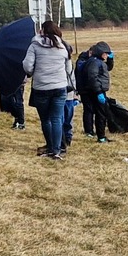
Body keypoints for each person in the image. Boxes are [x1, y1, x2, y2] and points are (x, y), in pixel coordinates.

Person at [26, 20, 74, 159]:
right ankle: (57, 150)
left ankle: (50, 145)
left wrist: (36, 71)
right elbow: (69, 69)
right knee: (57, 119)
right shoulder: (63, 46)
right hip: (60, 87)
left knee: (45, 119)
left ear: (42, 31)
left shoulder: (34, 45)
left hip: (41, 87)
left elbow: (28, 66)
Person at [76, 43, 112, 142]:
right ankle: (101, 136)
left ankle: (100, 134)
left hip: (95, 91)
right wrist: (99, 91)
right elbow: (93, 77)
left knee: (100, 113)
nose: (107, 55)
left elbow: (108, 68)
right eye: (106, 53)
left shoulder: (97, 62)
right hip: (96, 92)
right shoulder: (94, 63)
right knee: (100, 113)